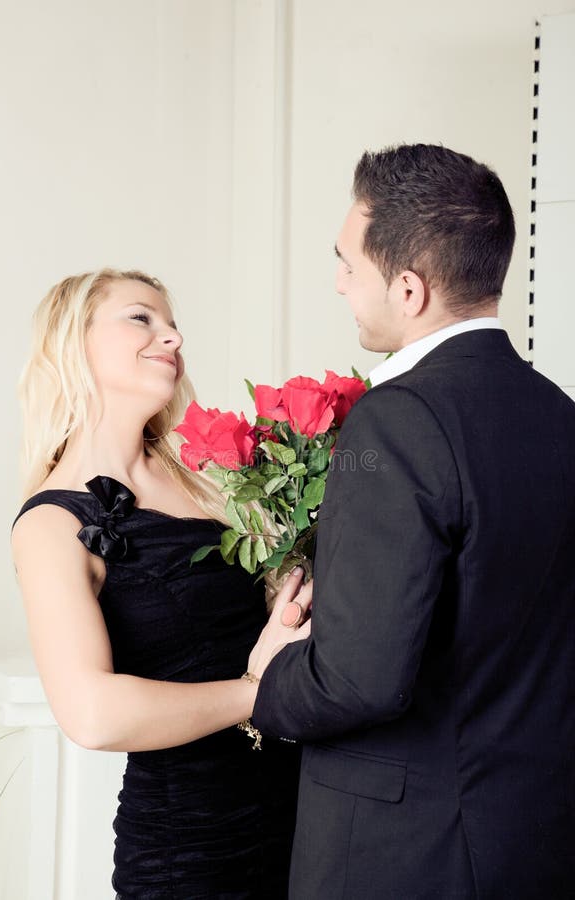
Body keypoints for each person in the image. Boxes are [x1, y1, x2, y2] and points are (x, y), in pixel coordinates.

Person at [249, 144, 575, 898]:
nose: (337, 281)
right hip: (535, 837)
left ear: (408, 288)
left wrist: (269, 676)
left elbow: (358, 680)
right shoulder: (559, 416)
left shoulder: (400, 421)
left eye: (347, 263)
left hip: (408, 854)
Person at [11, 268, 310, 899]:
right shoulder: (51, 523)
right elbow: (91, 714)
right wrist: (255, 691)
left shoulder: (211, 482)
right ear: (75, 342)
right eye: (141, 318)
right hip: (191, 852)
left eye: (172, 324)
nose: (171, 337)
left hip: (301, 817)